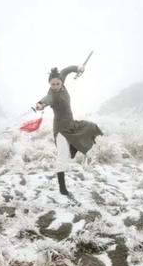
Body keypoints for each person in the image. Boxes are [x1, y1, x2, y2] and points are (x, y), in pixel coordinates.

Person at [35, 65, 103, 197]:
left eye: (57, 83)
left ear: (61, 82)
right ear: (50, 84)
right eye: (52, 84)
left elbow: (67, 70)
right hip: (61, 130)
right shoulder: (52, 95)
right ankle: (62, 188)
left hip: (71, 124)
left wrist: (78, 68)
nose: (55, 86)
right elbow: (46, 100)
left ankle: (74, 147)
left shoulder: (62, 80)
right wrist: (40, 104)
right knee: (62, 158)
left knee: (90, 126)